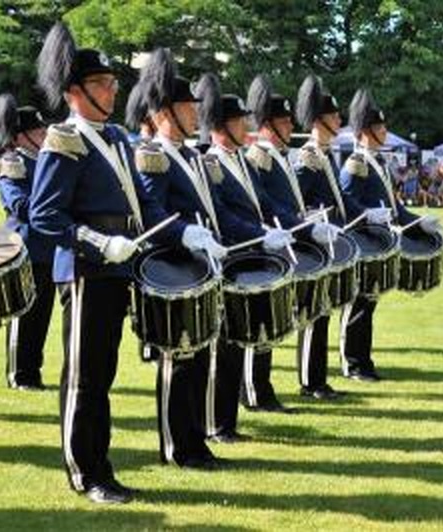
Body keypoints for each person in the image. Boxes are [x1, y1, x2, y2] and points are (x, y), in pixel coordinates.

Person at [29, 23, 220, 504]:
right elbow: (44, 215)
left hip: (119, 270)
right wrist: (95, 241)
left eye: (113, 83)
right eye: (100, 84)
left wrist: (180, 232)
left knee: (104, 374)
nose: (112, 91)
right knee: (84, 376)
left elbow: (142, 209)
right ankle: (84, 472)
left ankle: (102, 466)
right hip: (87, 272)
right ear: (74, 92)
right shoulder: (63, 139)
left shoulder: (115, 137)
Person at [134, 48, 229, 468]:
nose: (196, 113)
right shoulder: (152, 155)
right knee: (179, 357)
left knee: (201, 355)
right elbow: (150, 214)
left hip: (201, 264)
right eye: (188, 107)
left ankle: (195, 440)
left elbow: (216, 210)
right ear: (164, 113)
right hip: (173, 267)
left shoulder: (193, 156)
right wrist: (185, 232)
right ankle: (176, 446)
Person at [193, 72, 295, 443]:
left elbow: (264, 205)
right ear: (221, 126)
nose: (245, 126)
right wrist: (260, 233)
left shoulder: (242, 161)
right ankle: (216, 424)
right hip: (230, 259)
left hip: (252, 255)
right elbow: (222, 214)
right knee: (224, 345)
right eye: (238, 121)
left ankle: (228, 421)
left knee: (240, 341)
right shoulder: (211, 163)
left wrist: (297, 226)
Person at [242, 74, 342, 412]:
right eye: (283, 121)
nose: (289, 126)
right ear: (267, 125)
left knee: (272, 322)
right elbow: (268, 206)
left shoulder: (280, 155)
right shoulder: (260, 156)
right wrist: (300, 226)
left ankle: (263, 388)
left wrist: (305, 222)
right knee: (260, 324)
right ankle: (255, 390)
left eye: (288, 120)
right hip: (270, 244)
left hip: (288, 238)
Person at [338, 88, 443, 381]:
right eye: (380, 127)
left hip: (381, 243)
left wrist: (418, 222)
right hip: (364, 243)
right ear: (365, 132)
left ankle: (364, 361)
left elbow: (394, 207)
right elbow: (345, 202)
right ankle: (352, 364)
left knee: (369, 304)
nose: (385, 131)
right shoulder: (355, 164)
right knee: (357, 306)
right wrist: (368, 215)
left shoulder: (378, 161)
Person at [0, 93, 54, 390]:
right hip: (25, 246)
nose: (44, 135)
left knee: (41, 315)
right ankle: (18, 373)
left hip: (49, 249)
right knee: (23, 313)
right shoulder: (14, 163)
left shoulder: (45, 161)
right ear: (21, 136)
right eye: (39, 131)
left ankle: (33, 371)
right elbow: (19, 204)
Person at [293, 74, 349, 397]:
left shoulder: (325, 156)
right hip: (315, 245)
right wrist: (317, 221)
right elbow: (299, 205)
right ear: (319, 121)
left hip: (331, 243)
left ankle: (318, 379)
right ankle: (309, 381)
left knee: (323, 312)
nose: (338, 120)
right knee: (313, 314)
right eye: (333, 115)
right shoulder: (307, 159)